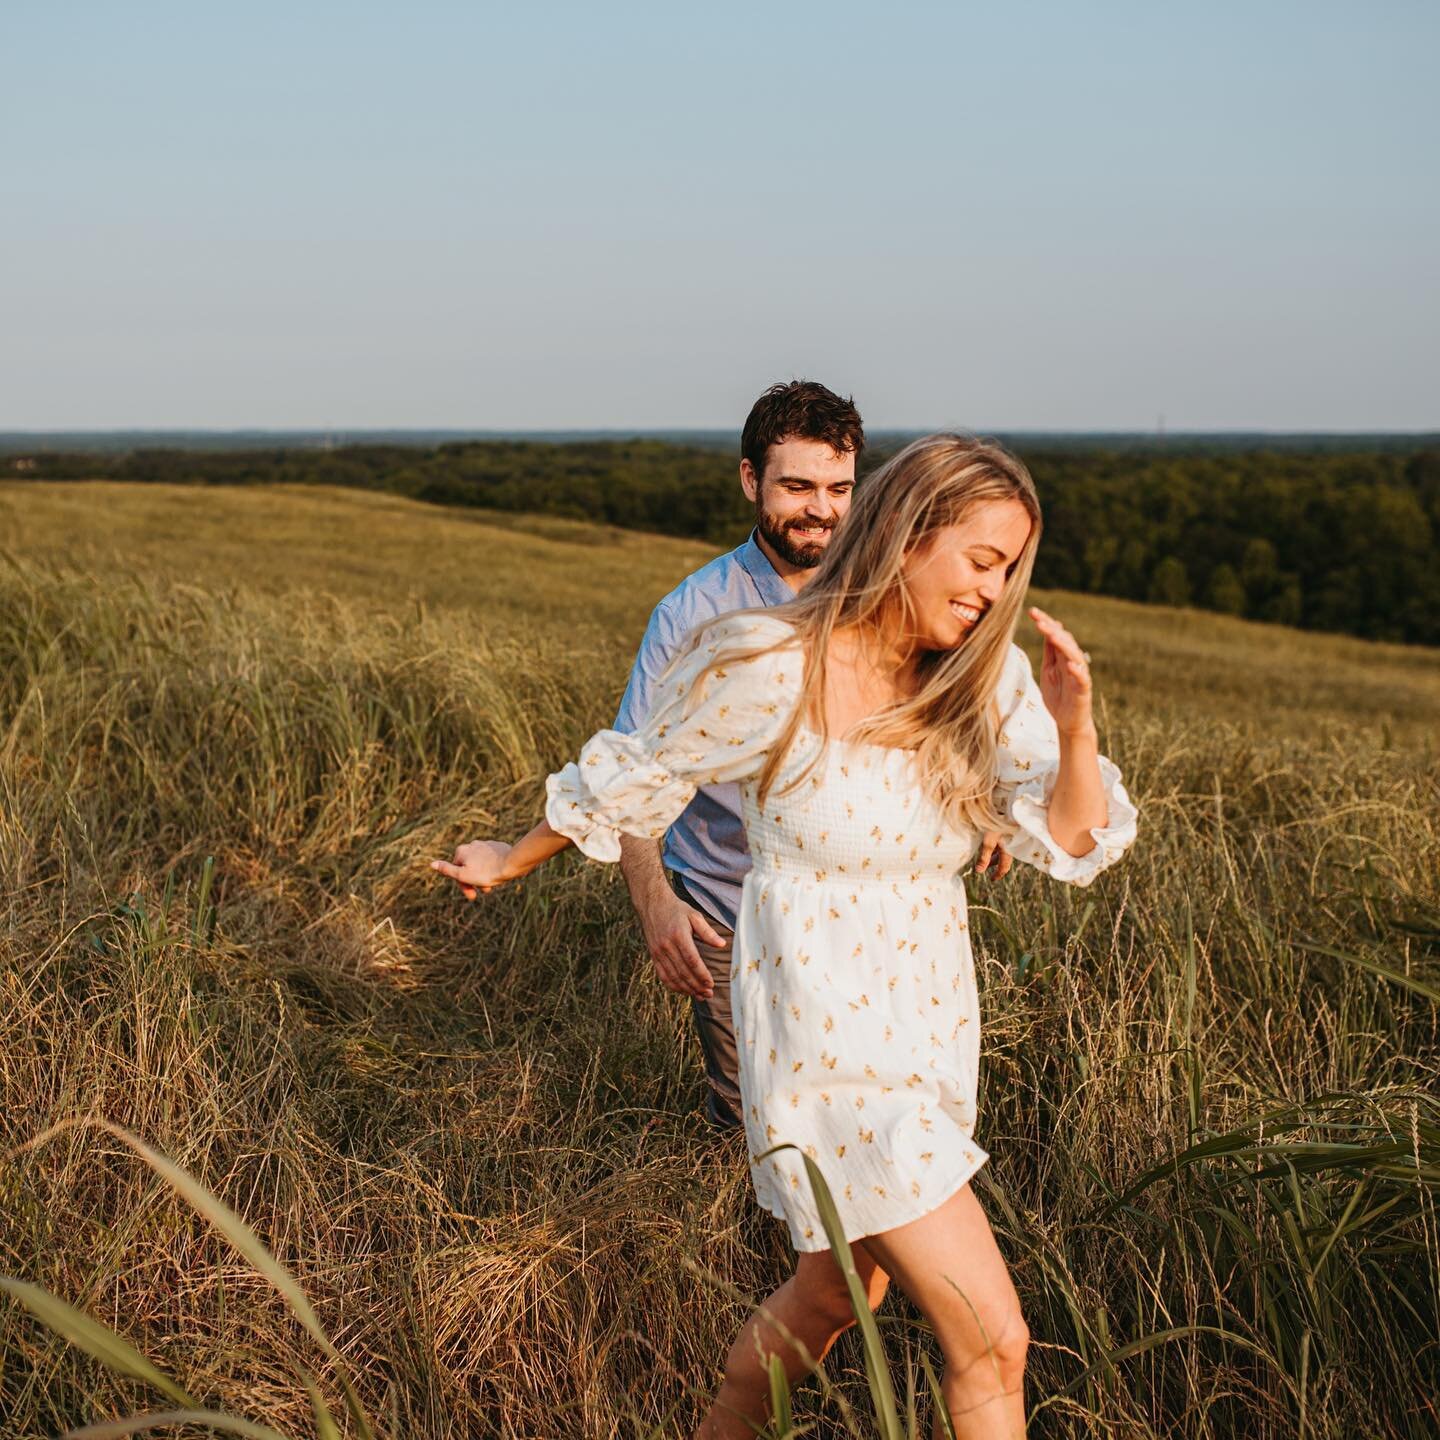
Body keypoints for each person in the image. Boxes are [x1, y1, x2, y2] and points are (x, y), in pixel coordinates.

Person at [433, 434, 1138, 1439]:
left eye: (1012, 569)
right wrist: (512, 853)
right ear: (906, 531)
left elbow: (1072, 838)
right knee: (994, 1338)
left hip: (928, 1023)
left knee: (836, 1296)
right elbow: (641, 770)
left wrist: (1075, 730)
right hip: (817, 1030)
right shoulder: (772, 661)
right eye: (982, 560)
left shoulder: (982, 682)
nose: (995, 590)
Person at [614, 380, 1012, 1135]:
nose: (822, 508)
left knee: (878, 1121)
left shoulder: (891, 590)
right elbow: (629, 779)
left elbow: (948, 705)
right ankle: (740, 1247)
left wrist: (982, 797)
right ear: (749, 480)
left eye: (838, 487)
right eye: (796, 485)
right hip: (730, 915)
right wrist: (657, 905)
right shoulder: (693, 614)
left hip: (864, 921)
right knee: (755, 1119)